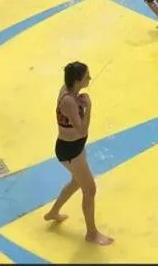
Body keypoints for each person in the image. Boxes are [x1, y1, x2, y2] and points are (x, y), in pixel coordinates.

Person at [43, 61, 112, 246]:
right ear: (77, 80)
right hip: (70, 150)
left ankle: (53, 213)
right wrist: (89, 107)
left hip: (75, 148)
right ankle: (91, 233)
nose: (89, 78)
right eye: (86, 77)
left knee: (76, 183)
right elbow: (81, 130)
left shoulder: (69, 92)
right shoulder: (68, 101)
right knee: (90, 189)